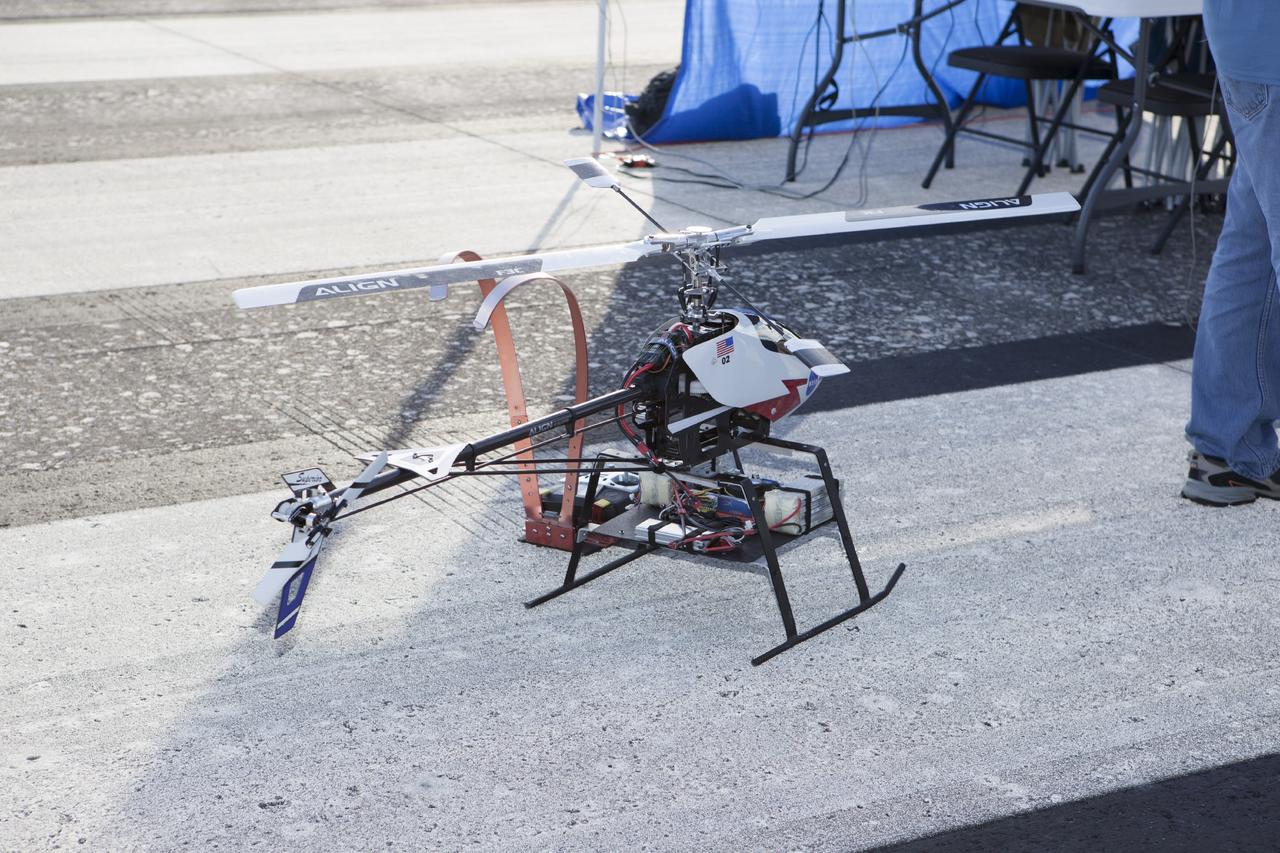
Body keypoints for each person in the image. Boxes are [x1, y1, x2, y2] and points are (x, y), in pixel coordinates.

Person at [1182, 1, 1280, 506]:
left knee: (1253, 246)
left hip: (1250, 42)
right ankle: (1227, 450)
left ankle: (1228, 453)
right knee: (1253, 246)